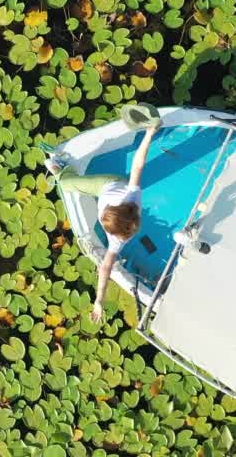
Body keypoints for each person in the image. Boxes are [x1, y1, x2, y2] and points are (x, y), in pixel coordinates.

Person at [46, 124, 158, 322]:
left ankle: (61, 171)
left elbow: (106, 268)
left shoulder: (120, 231)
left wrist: (99, 300)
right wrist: (149, 134)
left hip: (110, 184)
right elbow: (138, 164)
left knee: (67, 186)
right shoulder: (132, 197)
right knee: (66, 183)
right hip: (105, 185)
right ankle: (62, 169)